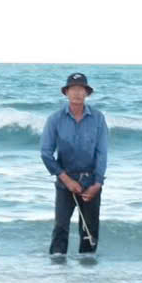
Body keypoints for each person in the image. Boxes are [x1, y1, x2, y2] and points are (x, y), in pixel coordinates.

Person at [40, 73, 107, 258]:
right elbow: (46, 153)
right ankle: (57, 273)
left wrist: (98, 183)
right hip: (64, 181)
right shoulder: (55, 119)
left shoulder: (98, 118)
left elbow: (102, 153)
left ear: (87, 93)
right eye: (73, 89)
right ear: (66, 92)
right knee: (60, 228)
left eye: (81, 89)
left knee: (90, 232)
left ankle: (87, 278)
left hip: (91, 182)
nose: (77, 93)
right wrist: (66, 180)